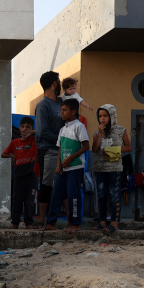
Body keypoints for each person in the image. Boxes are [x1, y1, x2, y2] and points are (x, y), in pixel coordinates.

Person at [42, 98, 89, 233]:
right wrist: (58, 166)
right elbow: (60, 149)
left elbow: (86, 146)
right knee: (56, 194)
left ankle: (75, 223)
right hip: (63, 169)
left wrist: (70, 158)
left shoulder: (79, 126)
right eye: (61, 110)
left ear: (73, 111)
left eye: (64, 110)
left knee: (74, 196)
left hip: (75, 168)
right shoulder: (62, 129)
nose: (61, 113)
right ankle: (51, 222)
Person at [89, 104, 131, 233]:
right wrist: (100, 134)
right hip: (100, 168)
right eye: (100, 116)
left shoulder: (121, 130)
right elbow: (95, 149)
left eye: (105, 116)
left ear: (112, 116)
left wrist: (113, 150)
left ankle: (114, 223)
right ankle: (101, 222)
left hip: (114, 168)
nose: (102, 119)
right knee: (101, 195)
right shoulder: (97, 132)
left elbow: (129, 147)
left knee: (114, 195)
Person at [34, 71, 64, 226]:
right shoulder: (42, 105)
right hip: (48, 150)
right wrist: (61, 141)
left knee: (64, 185)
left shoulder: (61, 102)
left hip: (63, 151)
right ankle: (42, 220)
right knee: (46, 185)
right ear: (54, 83)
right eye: (58, 81)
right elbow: (42, 131)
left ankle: (69, 221)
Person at [1, 117, 39, 229]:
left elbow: (42, 133)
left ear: (32, 128)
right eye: (22, 126)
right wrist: (13, 155)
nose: (25, 129)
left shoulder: (34, 141)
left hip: (31, 174)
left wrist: (33, 132)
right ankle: (15, 222)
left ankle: (29, 223)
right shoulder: (15, 142)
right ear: (19, 128)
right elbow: (3, 154)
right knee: (17, 199)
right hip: (18, 174)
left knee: (29, 200)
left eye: (28, 127)